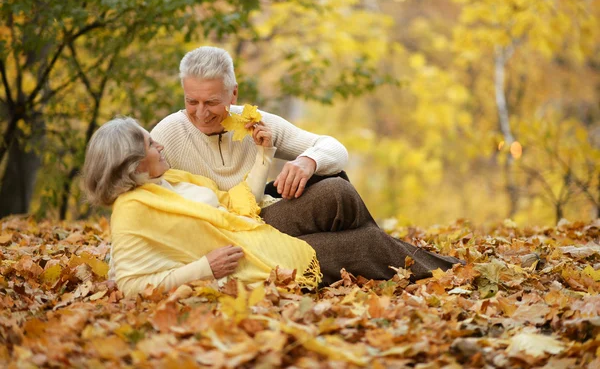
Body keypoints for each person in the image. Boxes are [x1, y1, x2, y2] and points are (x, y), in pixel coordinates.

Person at [83, 117, 462, 297]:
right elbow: (130, 284)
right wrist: (204, 269)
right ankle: (457, 273)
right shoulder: (133, 209)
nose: (160, 146)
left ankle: (410, 259)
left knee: (336, 191)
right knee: (367, 244)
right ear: (132, 163)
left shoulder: (171, 181)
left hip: (253, 229)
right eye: (151, 145)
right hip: (251, 261)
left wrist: (265, 152)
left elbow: (237, 205)